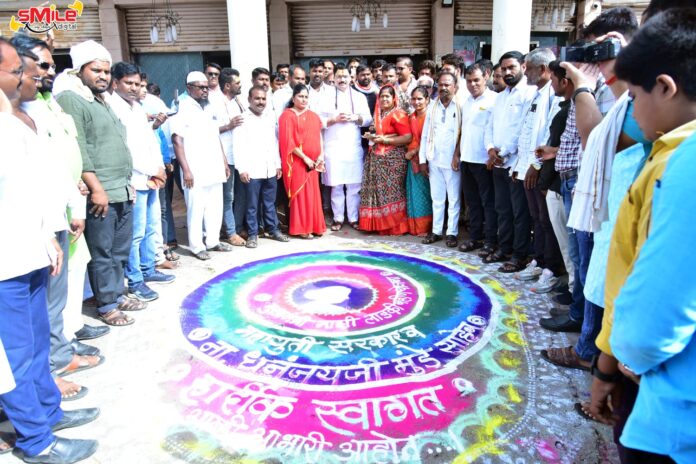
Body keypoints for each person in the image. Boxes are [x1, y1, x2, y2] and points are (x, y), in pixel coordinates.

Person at [589, 9, 696, 463]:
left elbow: (662, 303)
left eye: (632, 96)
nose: (630, 110)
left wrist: (614, 363)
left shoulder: (686, 164)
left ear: (665, 87)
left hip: (672, 406)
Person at [0, 38, 99, 464]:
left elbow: (35, 187)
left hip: (34, 250)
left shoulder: (23, 117)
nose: (28, 75)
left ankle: (49, 412)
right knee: (16, 353)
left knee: (38, 341)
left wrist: (49, 232)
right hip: (6, 260)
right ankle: (36, 440)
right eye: (16, 69)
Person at [55, 40, 146, 326]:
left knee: (119, 250)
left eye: (106, 71)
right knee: (102, 252)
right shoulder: (72, 98)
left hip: (121, 188)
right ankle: (106, 304)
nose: (104, 76)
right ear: (79, 69)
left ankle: (117, 294)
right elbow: (79, 147)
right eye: (96, 70)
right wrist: (96, 189)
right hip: (102, 191)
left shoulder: (100, 99)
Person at [108, 62, 174, 303]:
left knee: (149, 228)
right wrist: (151, 171)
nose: (134, 88)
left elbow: (150, 141)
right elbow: (127, 150)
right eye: (129, 83)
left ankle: (148, 269)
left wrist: (158, 170)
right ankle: (135, 281)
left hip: (151, 178)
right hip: (135, 179)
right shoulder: (113, 109)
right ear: (115, 83)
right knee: (135, 234)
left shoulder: (137, 108)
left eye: (137, 83)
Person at [511, 48, 564, 290]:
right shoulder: (536, 94)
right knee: (537, 219)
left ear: (543, 69)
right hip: (526, 167)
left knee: (546, 220)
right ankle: (539, 260)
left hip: (541, 168)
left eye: (529, 68)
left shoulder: (553, 96)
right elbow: (526, 131)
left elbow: (549, 135)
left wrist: (535, 165)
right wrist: (520, 165)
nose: (525, 72)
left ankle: (551, 269)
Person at [170, 71, 232, 260]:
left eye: (206, 87)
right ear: (190, 88)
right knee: (196, 208)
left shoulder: (209, 106)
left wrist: (223, 161)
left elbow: (216, 136)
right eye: (201, 87)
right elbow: (176, 141)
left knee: (215, 206)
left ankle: (212, 241)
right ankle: (196, 246)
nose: (205, 90)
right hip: (195, 170)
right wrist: (186, 170)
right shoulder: (182, 108)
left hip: (214, 166)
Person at [483, 50, 535, 272]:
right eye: (503, 69)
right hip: (497, 162)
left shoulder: (529, 94)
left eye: (511, 67)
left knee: (518, 213)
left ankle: (519, 254)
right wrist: (491, 149)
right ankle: (504, 248)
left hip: (516, 163)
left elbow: (523, 128)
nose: (507, 72)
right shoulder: (501, 96)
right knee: (502, 208)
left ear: (523, 67)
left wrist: (503, 151)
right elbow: (490, 126)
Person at [234, 86, 289, 248]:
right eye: (257, 98)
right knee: (252, 204)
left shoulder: (270, 117)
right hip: (252, 170)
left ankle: (273, 229)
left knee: (270, 203)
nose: (260, 102)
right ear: (249, 100)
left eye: (263, 99)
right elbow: (238, 146)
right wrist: (242, 168)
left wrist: (277, 165)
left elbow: (274, 143)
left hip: (270, 169)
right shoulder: (242, 119)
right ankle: (252, 234)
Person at [320, 64, 372, 231]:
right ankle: (338, 218)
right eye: (339, 76)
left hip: (352, 148)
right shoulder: (325, 96)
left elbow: (368, 119)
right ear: (333, 78)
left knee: (354, 186)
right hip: (333, 147)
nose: (342, 79)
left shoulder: (359, 97)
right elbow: (317, 121)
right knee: (336, 186)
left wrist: (355, 117)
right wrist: (334, 120)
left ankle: (353, 218)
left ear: (351, 78)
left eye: (345, 76)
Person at [455, 63, 498, 255]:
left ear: (486, 76)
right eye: (469, 81)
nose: (472, 84)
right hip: (467, 159)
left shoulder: (494, 100)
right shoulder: (466, 102)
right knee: (472, 202)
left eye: (476, 80)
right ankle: (475, 238)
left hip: (484, 161)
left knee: (488, 203)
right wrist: (457, 153)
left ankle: (490, 241)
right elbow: (462, 131)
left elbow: (495, 131)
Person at [359, 85, 412, 234]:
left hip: (393, 159)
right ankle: (377, 225)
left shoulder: (399, 114)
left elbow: (407, 137)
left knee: (391, 193)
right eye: (382, 96)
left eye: (387, 96)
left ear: (394, 98)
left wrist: (385, 140)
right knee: (376, 193)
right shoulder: (378, 113)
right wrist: (373, 136)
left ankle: (394, 226)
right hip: (376, 157)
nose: (384, 99)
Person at [418, 72, 462, 248]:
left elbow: (462, 134)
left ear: (455, 87)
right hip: (434, 158)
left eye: (447, 85)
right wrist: (423, 159)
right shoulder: (432, 107)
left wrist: (457, 155)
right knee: (437, 198)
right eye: (441, 85)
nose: (444, 88)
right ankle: (436, 231)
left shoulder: (461, 106)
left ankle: (452, 232)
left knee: (454, 199)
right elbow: (425, 135)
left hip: (453, 162)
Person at [278, 85, 327, 239]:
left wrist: (321, 156)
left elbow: (319, 136)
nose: (303, 99)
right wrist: (305, 158)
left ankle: (315, 226)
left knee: (313, 194)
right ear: (293, 98)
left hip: (313, 162)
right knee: (300, 195)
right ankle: (302, 228)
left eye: (306, 97)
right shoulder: (287, 115)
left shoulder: (313, 115)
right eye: (300, 96)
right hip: (297, 162)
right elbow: (288, 141)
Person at [211, 68, 247, 247]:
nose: (240, 85)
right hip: (224, 157)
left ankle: (235, 227)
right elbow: (210, 131)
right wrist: (228, 125)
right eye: (237, 83)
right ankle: (230, 233)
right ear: (227, 86)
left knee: (239, 196)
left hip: (239, 156)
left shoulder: (236, 102)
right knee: (227, 196)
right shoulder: (215, 102)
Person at [404, 86, 433, 236]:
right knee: (414, 193)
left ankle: (425, 227)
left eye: (420, 98)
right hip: (411, 160)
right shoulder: (411, 117)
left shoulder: (431, 116)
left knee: (425, 194)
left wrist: (415, 151)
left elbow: (430, 139)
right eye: (413, 99)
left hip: (426, 160)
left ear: (427, 100)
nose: (416, 102)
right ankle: (415, 227)